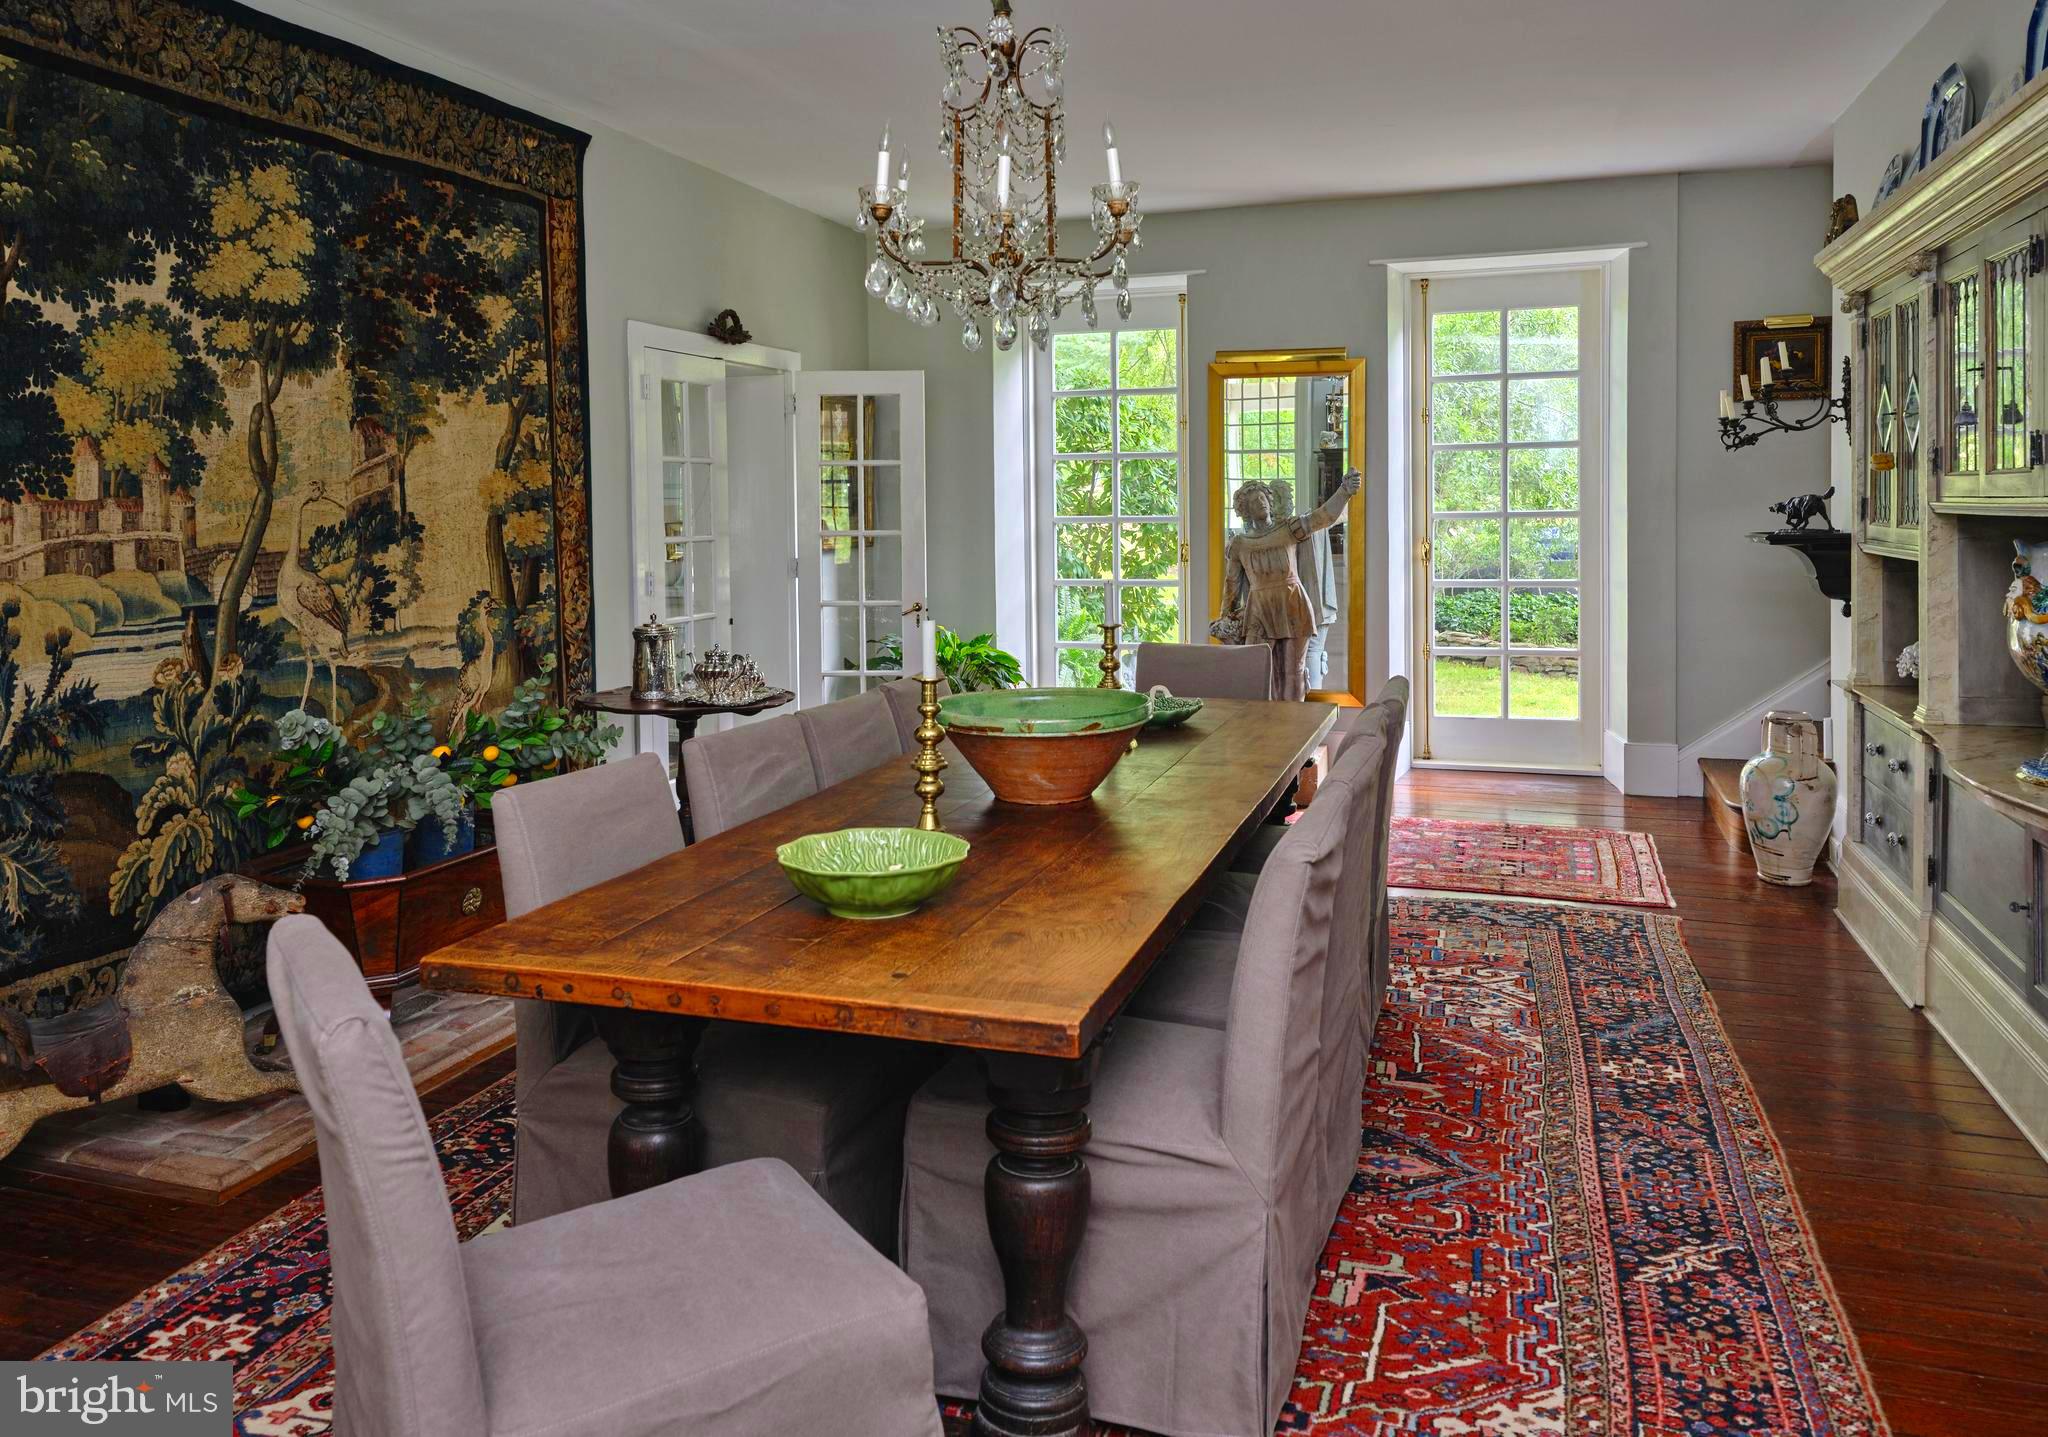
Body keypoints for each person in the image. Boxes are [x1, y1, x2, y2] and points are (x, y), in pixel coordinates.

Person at [1214, 469, 1362, 701]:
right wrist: (1225, 617)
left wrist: (1344, 491)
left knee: (1293, 673)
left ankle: (1293, 728)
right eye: (1253, 501)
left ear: (1270, 501)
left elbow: (1323, 517)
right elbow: (1231, 584)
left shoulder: (1289, 528)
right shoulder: (1240, 544)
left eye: (1263, 498)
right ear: (1245, 510)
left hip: (1293, 604)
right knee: (1257, 672)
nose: (1260, 503)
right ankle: (1263, 727)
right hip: (1259, 610)